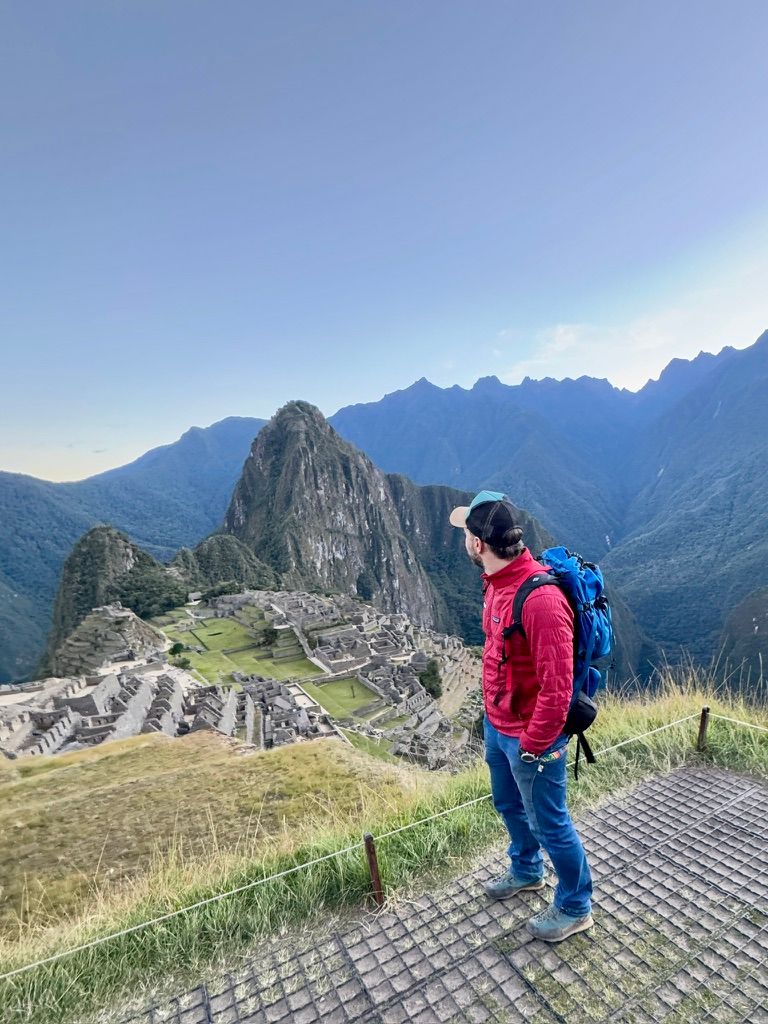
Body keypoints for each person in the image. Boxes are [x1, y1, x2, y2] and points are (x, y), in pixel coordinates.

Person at [449, 490, 593, 942]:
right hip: (499, 726)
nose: (464, 541)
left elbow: (558, 688)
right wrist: (493, 721)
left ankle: (576, 905)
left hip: (532, 738)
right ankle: (527, 870)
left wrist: (533, 745)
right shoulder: (496, 584)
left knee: (551, 824)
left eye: (466, 534)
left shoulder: (540, 600)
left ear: (478, 544)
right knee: (509, 805)